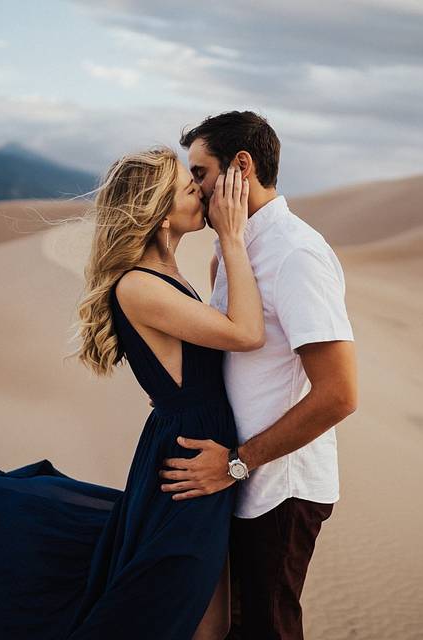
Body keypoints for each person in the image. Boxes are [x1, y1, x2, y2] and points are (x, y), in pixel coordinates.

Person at [0, 147, 263, 639]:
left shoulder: (168, 275)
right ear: (160, 212)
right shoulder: (138, 287)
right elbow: (248, 334)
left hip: (196, 448)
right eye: (190, 189)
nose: (203, 193)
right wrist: (233, 238)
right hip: (189, 459)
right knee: (190, 619)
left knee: (207, 616)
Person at [158, 110, 359, 639]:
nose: (195, 189)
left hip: (278, 489)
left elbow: (340, 394)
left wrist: (237, 464)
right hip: (239, 481)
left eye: (199, 173)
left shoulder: (296, 254)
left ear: (240, 167)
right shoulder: (238, 249)